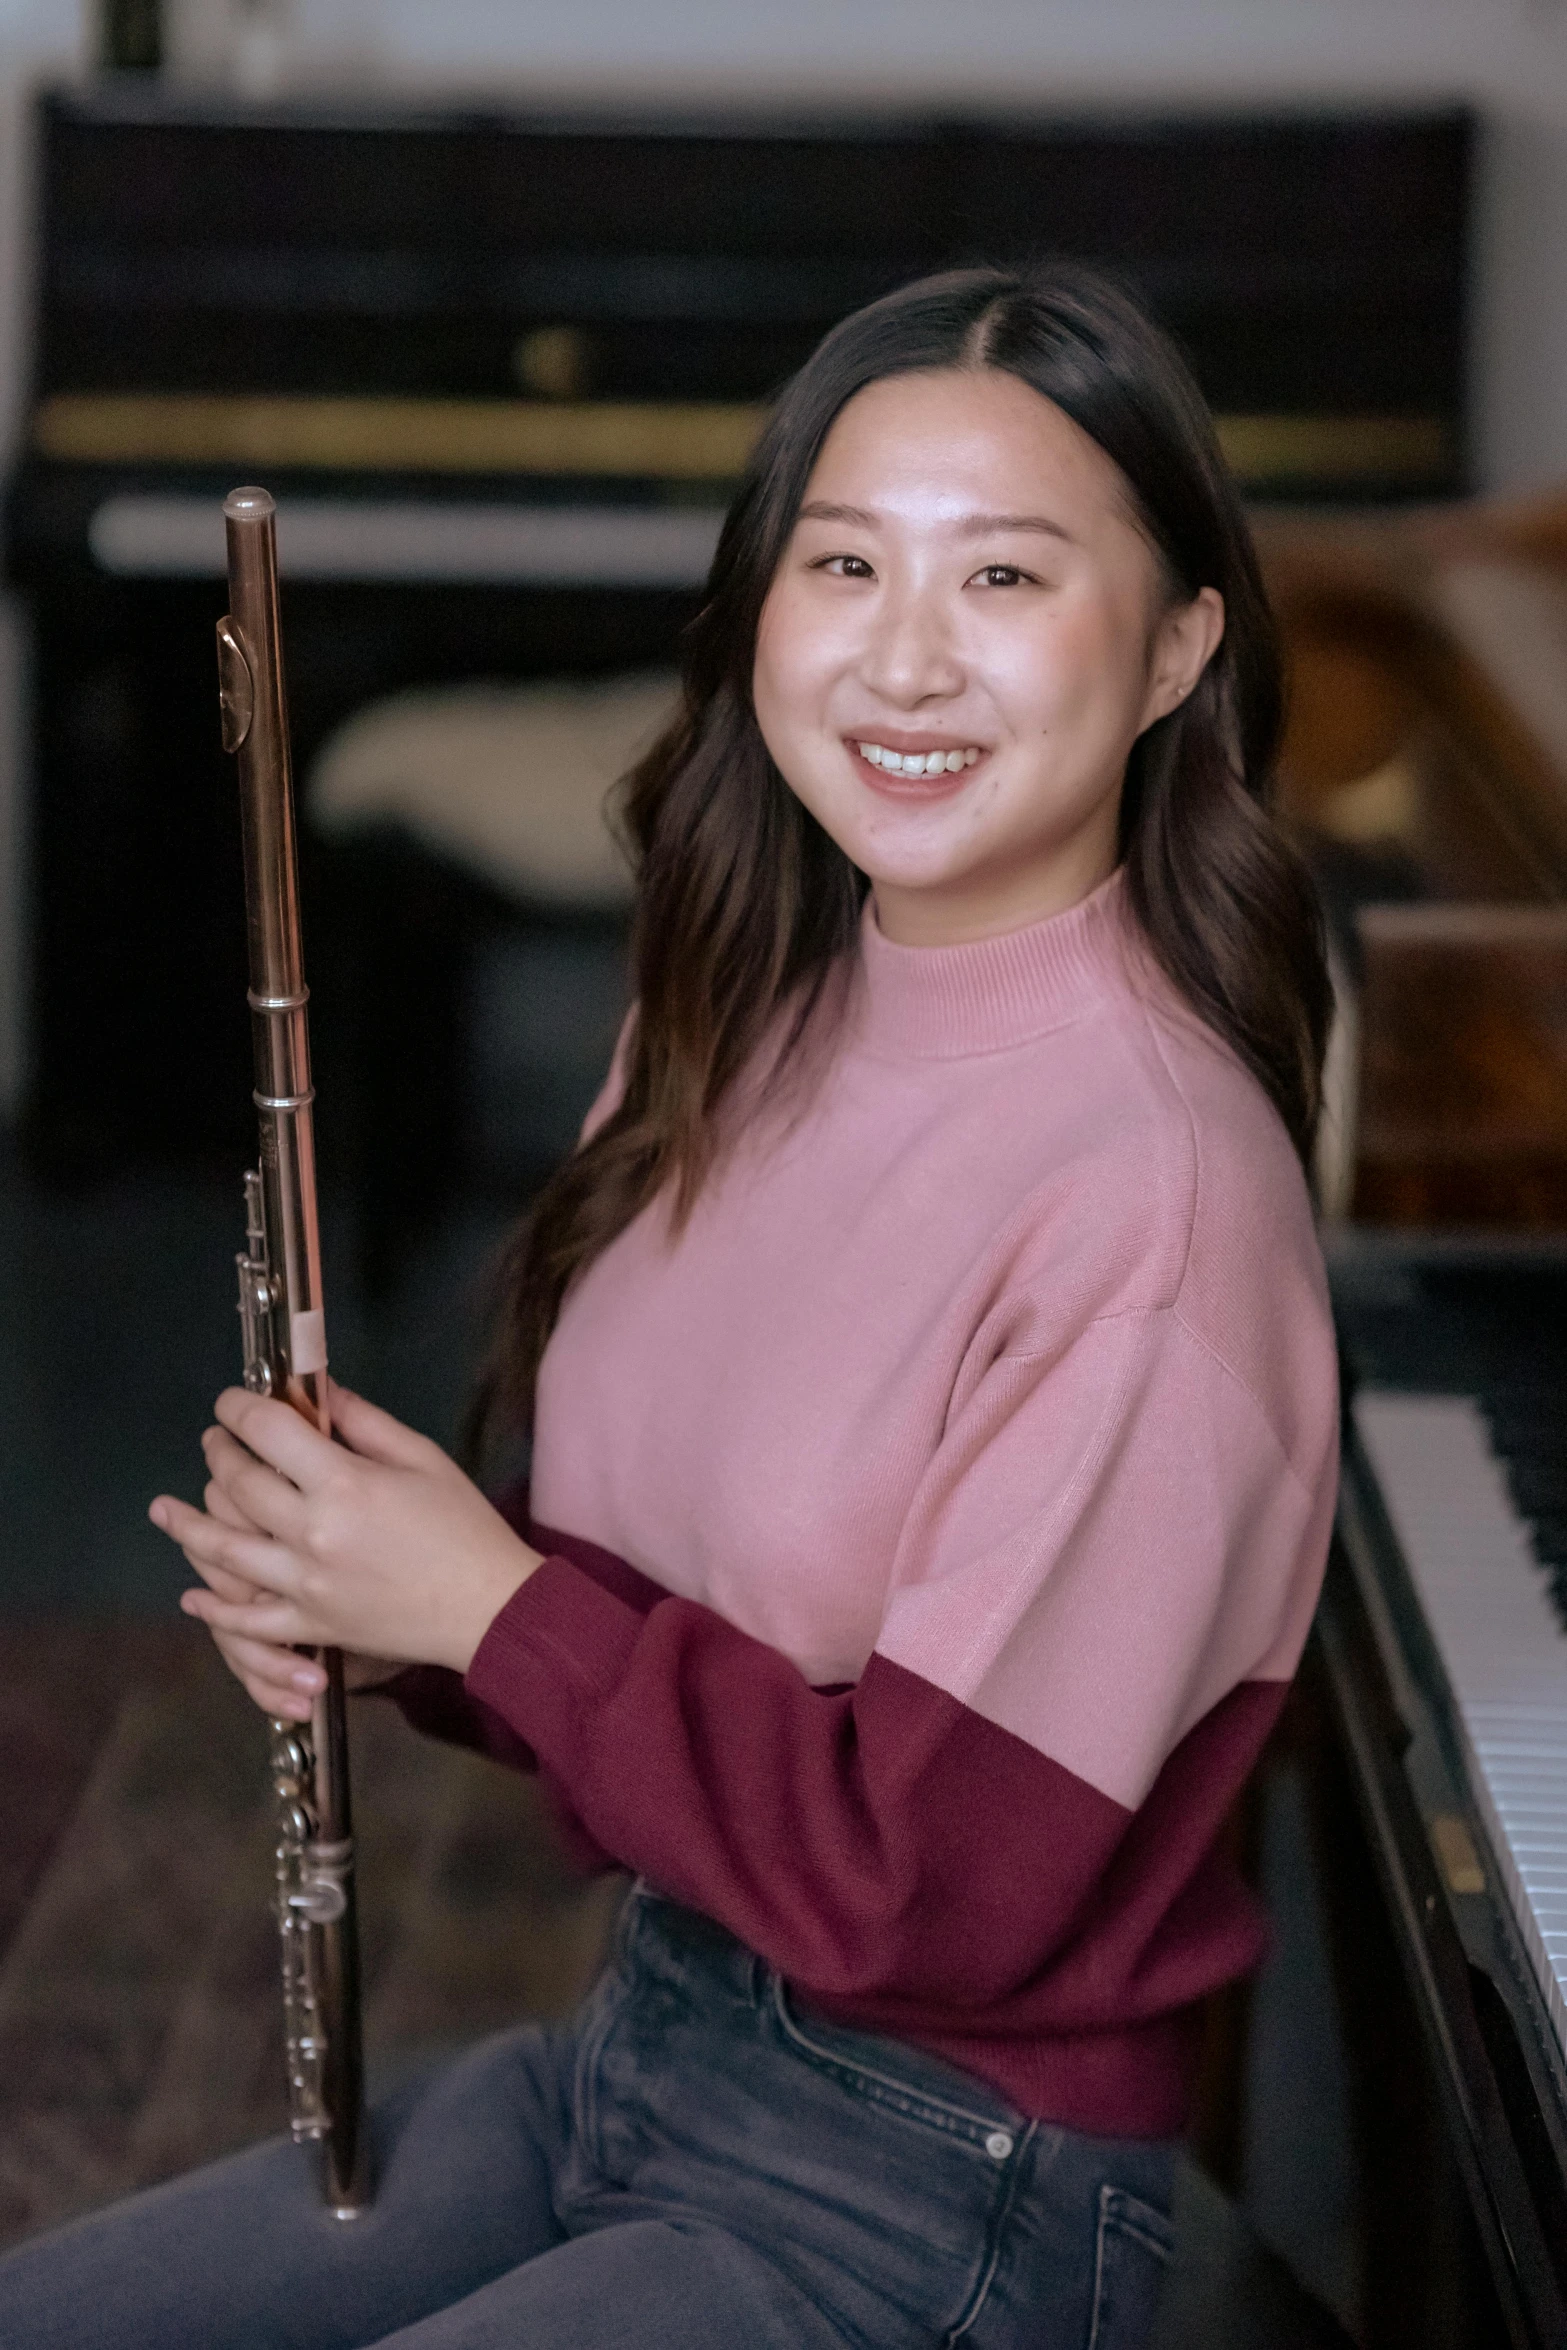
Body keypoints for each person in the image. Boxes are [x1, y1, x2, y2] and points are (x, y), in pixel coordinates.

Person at [0, 263, 1338, 2349]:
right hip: (648, 2038)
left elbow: (941, 1893)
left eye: (1003, 574)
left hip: (942, 2185)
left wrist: (483, 1608)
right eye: (842, 563)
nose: (905, 653)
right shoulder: (732, 1019)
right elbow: (646, 1605)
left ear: (1176, 646)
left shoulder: (1151, 1200)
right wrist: (387, 1597)